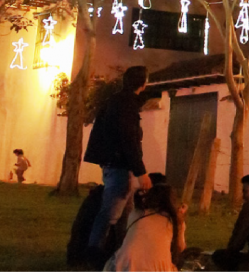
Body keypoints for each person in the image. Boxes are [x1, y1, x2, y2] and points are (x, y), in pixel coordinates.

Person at [84, 65, 153, 266]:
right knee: (110, 213)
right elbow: (128, 140)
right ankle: (94, 255)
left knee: (124, 214)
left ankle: (120, 253)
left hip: (114, 164)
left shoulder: (116, 101)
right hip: (120, 167)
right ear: (142, 83)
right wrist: (141, 173)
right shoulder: (126, 104)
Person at [67, 173, 168, 269]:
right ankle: (93, 254)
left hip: (115, 258)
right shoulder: (145, 216)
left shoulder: (101, 201)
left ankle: (92, 254)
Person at [104, 184, 185, 272]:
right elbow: (181, 247)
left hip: (124, 266)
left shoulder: (136, 213)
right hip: (158, 268)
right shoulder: (174, 221)